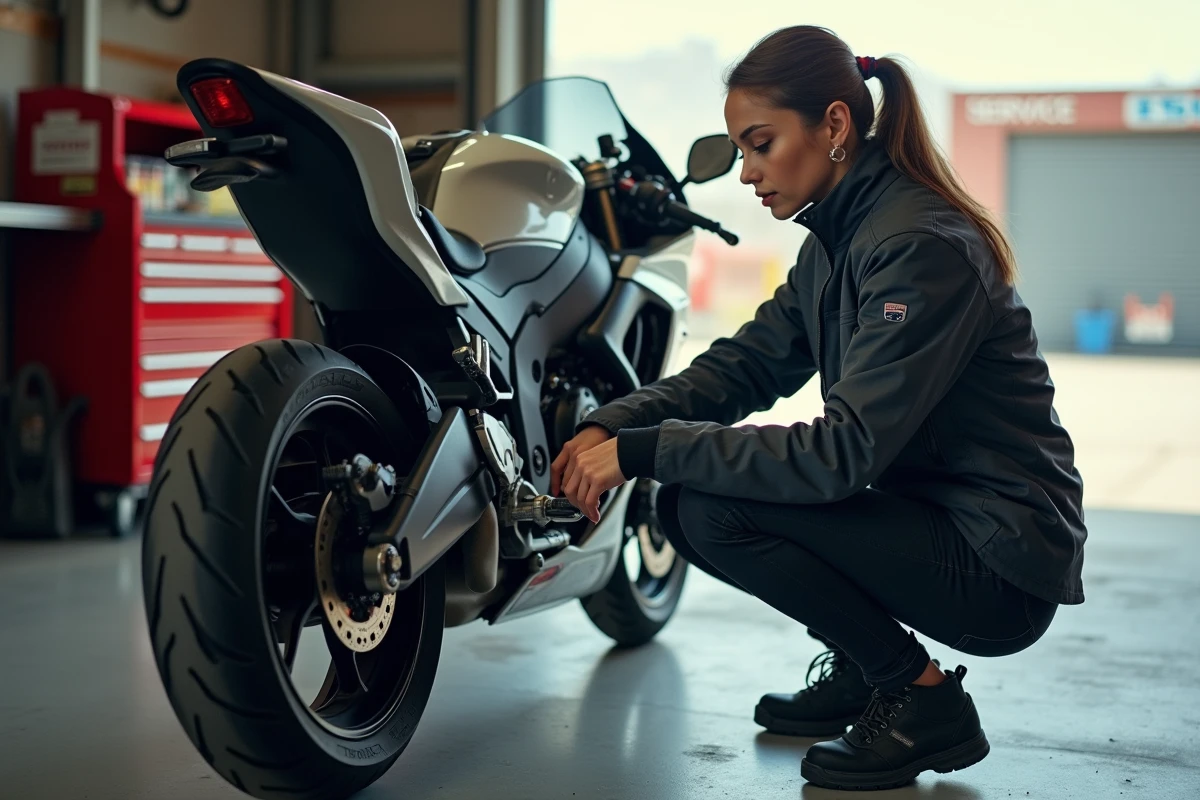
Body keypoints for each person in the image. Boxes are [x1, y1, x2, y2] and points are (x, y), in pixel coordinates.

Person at [550, 24, 1087, 792]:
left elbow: (842, 454)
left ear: (834, 125)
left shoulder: (917, 246)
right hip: (936, 525)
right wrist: (617, 421)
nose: (746, 172)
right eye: (739, 151)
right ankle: (869, 671)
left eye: (760, 145)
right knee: (686, 505)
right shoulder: (835, 242)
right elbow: (745, 365)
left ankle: (921, 700)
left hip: (999, 562)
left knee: (708, 509)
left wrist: (644, 450)